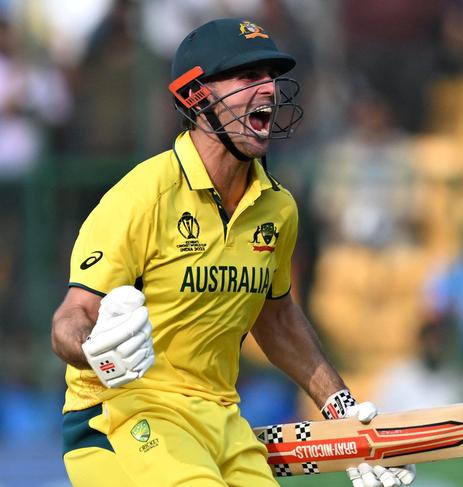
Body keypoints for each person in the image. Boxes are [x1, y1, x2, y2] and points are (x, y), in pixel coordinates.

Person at [50, 18, 415, 487]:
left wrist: (344, 416)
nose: (269, 90)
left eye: (271, 77)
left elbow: (276, 318)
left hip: (221, 417)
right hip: (124, 415)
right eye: (247, 78)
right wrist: (96, 352)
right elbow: (71, 318)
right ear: (196, 96)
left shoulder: (277, 208)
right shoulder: (143, 196)